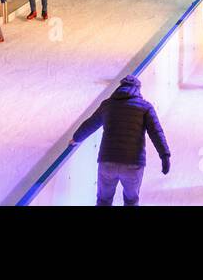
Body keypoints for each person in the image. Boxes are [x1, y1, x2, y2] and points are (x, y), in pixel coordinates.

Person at [70, 75, 170, 206]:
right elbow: (156, 133)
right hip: (133, 164)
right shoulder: (145, 107)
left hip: (107, 161)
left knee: (103, 201)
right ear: (137, 89)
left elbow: (91, 123)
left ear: (120, 88)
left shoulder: (108, 105)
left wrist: (76, 138)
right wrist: (164, 156)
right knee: (131, 201)